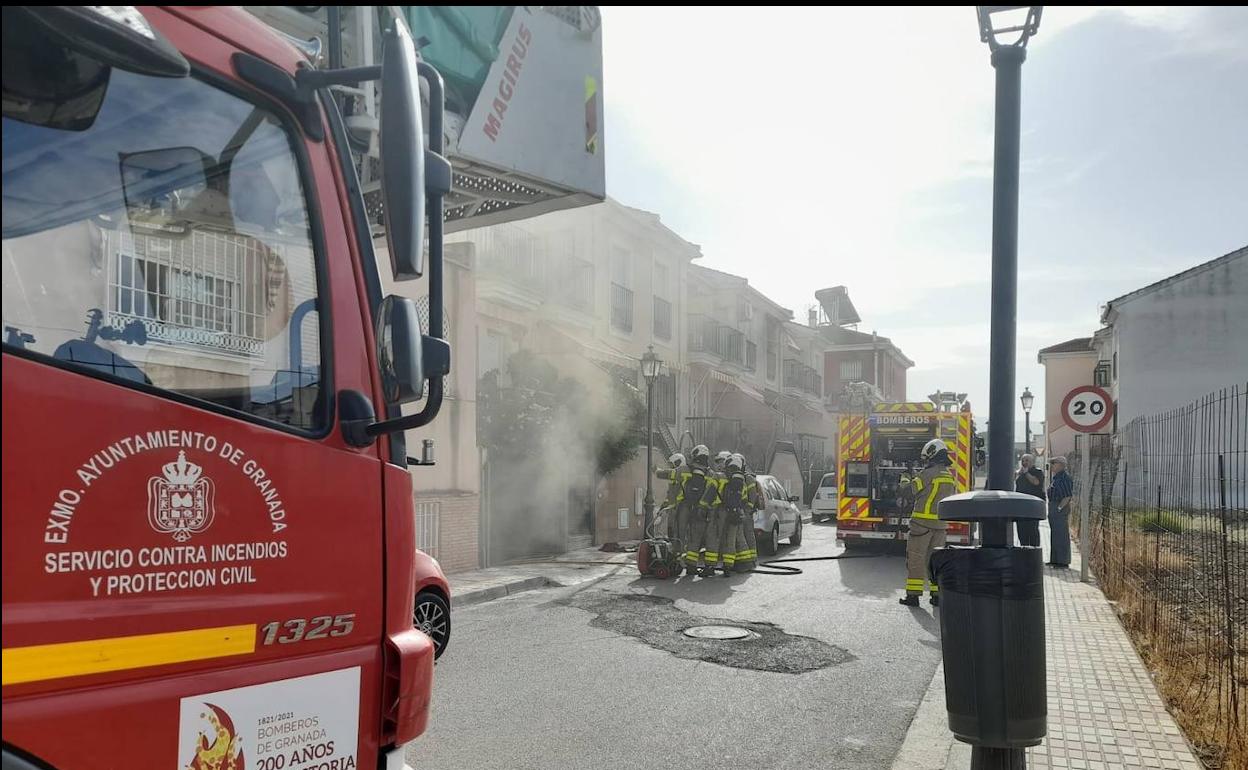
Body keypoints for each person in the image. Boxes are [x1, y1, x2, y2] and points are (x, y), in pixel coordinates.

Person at [899, 439, 958, 607]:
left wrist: (904, 478)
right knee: (935, 562)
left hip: (921, 527)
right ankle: (937, 595)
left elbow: (908, 492)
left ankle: (913, 596)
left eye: (926, 458)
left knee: (916, 560)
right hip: (940, 527)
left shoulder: (927, 474)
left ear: (932, 455)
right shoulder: (948, 475)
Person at [680, 445, 716, 576]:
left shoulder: (687, 470)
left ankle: (690, 567)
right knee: (711, 539)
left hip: (692, 509)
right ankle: (710, 567)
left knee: (693, 539)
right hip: (707, 512)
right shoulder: (711, 473)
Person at [1046, 457, 1074, 568]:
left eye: (1054, 463)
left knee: (1061, 534)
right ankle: (1055, 559)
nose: (1052, 465)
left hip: (1059, 507)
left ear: (1061, 465)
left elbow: (1067, 496)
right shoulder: (1056, 477)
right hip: (1054, 506)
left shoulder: (1064, 478)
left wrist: (1059, 508)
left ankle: (1062, 561)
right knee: (1055, 534)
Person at [1014, 453, 1045, 547]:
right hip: (1020, 506)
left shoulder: (1037, 472)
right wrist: (1017, 474)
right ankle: (1023, 548)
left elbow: (1036, 482)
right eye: (1023, 461)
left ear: (1032, 462)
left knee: (1032, 529)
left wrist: (1026, 473)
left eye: (1027, 460)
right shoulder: (1020, 473)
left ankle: (1034, 550)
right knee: (1021, 529)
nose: (1024, 463)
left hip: (1033, 506)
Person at [654, 452, 686, 539]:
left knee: (680, 532)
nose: (671, 467)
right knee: (672, 531)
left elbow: (666, 473)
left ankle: (679, 548)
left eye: (672, 464)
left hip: (681, 508)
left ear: (678, 463)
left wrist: (657, 471)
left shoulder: (681, 472)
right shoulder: (675, 479)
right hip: (674, 509)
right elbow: (670, 495)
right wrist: (662, 507)